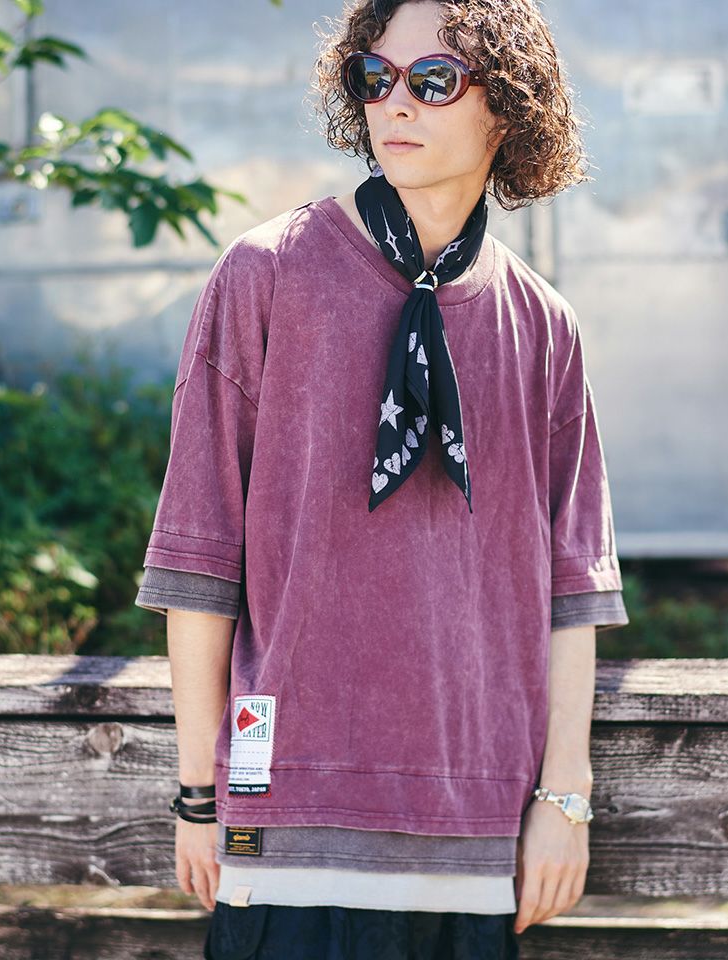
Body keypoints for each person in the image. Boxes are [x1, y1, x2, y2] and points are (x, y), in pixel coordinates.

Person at [135, 1, 630, 957]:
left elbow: (575, 587)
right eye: (375, 77)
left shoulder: (542, 325)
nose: (394, 103)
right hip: (287, 829)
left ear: (508, 107)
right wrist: (199, 793)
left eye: (433, 80)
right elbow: (199, 555)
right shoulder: (265, 274)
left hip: (475, 839)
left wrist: (565, 797)